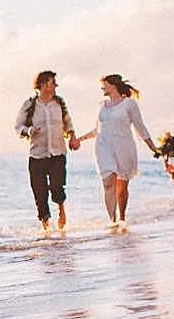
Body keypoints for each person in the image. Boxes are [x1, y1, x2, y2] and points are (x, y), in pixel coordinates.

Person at [72, 74, 156, 228]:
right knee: (108, 182)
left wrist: (153, 147)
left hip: (124, 147)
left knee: (122, 188)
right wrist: (80, 139)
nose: (102, 88)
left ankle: (122, 218)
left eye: (104, 85)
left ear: (113, 86)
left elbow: (139, 126)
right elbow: (98, 128)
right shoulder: (101, 105)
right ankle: (112, 221)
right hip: (103, 147)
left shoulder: (129, 104)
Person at [14, 70, 77, 230]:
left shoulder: (59, 103)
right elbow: (18, 126)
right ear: (43, 85)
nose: (55, 85)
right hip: (37, 156)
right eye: (52, 82)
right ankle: (46, 228)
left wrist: (73, 137)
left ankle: (61, 209)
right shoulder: (30, 105)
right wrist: (29, 131)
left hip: (57, 153)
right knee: (40, 193)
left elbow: (68, 122)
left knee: (57, 187)